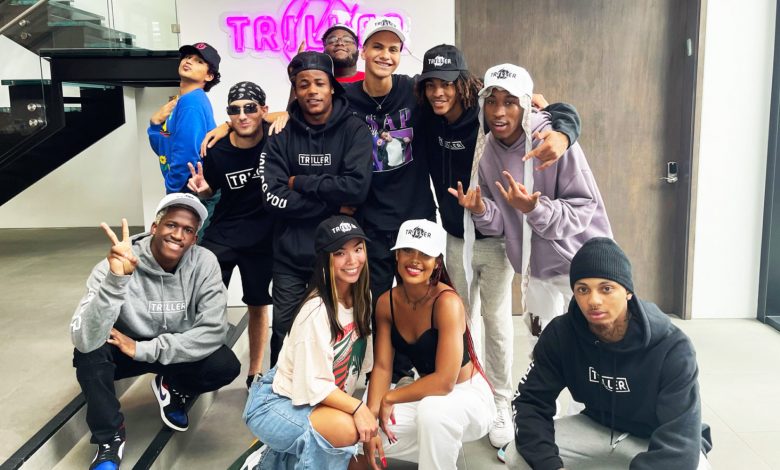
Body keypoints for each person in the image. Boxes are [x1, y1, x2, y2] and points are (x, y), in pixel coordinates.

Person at [416, 44, 582, 448]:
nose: (439, 92)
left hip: (498, 239)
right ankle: (466, 391)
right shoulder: (427, 114)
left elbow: (551, 110)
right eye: (431, 85)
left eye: (447, 84)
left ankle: (500, 401)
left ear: (464, 84)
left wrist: (562, 129)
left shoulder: (487, 116)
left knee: (495, 321)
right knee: (458, 319)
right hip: (455, 235)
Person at [504, 237, 713, 469]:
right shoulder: (561, 335)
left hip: (655, 436)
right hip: (598, 425)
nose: (593, 300)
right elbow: (530, 402)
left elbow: (680, 441)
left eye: (606, 289)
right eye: (583, 289)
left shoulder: (672, 347)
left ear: (628, 292)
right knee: (516, 455)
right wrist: (550, 466)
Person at [70, 193, 240, 470]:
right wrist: (116, 281)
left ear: (194, 239)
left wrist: (144, 349)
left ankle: (173, 387)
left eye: (188, 230)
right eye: (171, 225)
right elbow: (83, 339)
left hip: (163, 346)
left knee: (224, 365)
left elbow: (214, 329)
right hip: (124, 346)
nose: (178, 235)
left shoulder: (204, 262)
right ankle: (110, 438)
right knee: (89, 353)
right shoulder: (113, 265)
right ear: (154, 227)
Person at [452, 63, 611, 352]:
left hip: (580, 264)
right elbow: (500, 225)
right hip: (533, 269)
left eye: (510, 102)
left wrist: (535, 210)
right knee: (542, 345)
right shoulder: (486, 150)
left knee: (594, 347)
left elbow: (584, 207)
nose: (498, 112)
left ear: (526, 104)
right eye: (492, 101)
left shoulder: (553, 141)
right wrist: (481, 210)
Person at [261, 51, 373, 366]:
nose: (312, 90)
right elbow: (272, 196)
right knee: (284, 331)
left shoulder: (354, 130)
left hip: (338, 257)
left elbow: (357, 188)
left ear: (332, 87)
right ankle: (277, 390)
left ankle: (331, 390)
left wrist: (300, 182)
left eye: (319, 83)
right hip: (290, 257)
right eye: (303, 84)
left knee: (336, 332)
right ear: (295, 90)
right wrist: (333, 203)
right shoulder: (280, 134)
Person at [354, 219, 495, 470]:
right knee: (359, 434)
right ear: (397, 255)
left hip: (467, 396)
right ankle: (441, 444)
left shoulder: (447, 303)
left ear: (437, 262)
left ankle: (440, 444)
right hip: (427, 393)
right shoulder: (386, 303)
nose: (415, 260)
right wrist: (372, 420)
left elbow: (444, 382)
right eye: (408, 250)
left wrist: (390, 397)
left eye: (425, 254)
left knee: (433, 413)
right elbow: (383, 367)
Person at [243, 215, 376, 468]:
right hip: (276, 402)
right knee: (347, 429)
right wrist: (359, 409)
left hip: (310, 399)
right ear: (325, 259)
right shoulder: (316, 310)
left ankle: (272, 460)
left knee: (359, 454)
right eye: (340, 253)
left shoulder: (363, 298)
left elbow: (355, 370)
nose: (352, 260)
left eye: (358, 249)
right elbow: (315, 386)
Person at [186, 81, 274, 389]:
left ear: (263, 110)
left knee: (258, 304)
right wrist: (204, 190)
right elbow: (210, 188)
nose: (243, 115)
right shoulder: (217, 150)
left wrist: (226, 125)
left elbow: (291, 115)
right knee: (205, 301)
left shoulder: (276, 138)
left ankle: (255, 372)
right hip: (223, 234)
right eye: (234, 111)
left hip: (262, 239)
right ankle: (198, 364)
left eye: (250, 108)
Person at [148, 42, 220, 194]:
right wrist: (154, 125)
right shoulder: (181, 101)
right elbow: (164, 148)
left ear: (209, 76)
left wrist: (173, 190)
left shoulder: (191, 102)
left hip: (191, 189)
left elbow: (187, 155)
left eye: (199, 61)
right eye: (187, 57)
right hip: (187, 187)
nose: (189, 61)